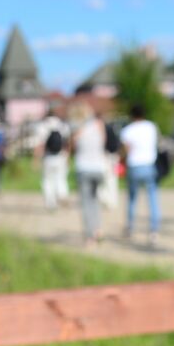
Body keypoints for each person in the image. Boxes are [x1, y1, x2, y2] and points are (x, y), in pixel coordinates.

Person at [120, 103, 161, 245]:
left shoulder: (128, 130)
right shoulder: (151, 127)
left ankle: (131, 226)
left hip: (134, 166)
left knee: (132, 198)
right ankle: (154, 230)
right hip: (149, 165)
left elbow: (126, 150)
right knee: (153, 198)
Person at [71, 104, 108, 245]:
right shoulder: (99, 125)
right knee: (94, 200)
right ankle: (98, 229)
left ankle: (89, 236)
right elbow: (103, 143)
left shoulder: (77, 129)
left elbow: (74, 147)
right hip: (98, 168)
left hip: (84, 168)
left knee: (86, 203)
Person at [37, 112, 70, 211]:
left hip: (48, 158)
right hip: (61, 157)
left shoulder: (43, 126)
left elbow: (40, 145)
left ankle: (50, 203)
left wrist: (36, 159)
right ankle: (62, 193)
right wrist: (67, 157)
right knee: (60, 177)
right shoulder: (63, 125)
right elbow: (67, 144)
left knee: (47, 180)